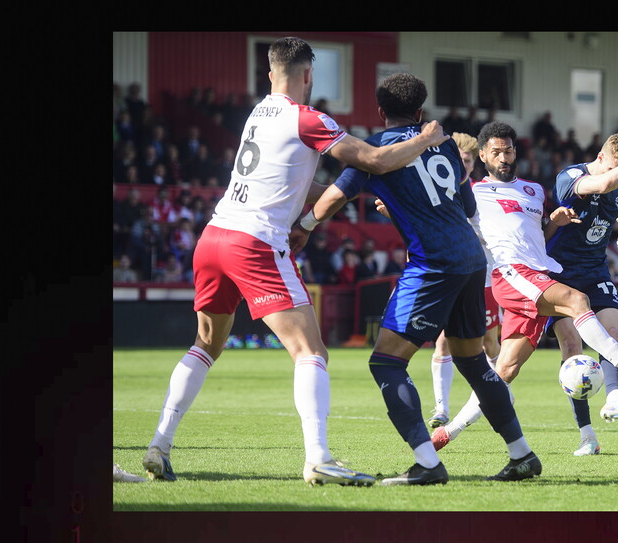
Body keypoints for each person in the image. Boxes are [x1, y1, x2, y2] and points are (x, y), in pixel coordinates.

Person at [140, 37, 449, 487]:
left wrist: (318, 210)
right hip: (254, 243)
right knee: (312, 352)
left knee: (206, 344)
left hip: (213, 237)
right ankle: (319, 457)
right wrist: (426, 139)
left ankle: (159, 445)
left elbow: (291, 181)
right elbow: (375, 160)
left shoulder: (256, 114)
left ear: (269, 73)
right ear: (308, 75)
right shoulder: (308, 118)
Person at [289, 73, 541, 485]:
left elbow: (338, 193)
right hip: (470, 257)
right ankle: (522, 454)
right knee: (473, 361)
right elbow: (463, 201)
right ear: (420, 112)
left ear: (381, 111)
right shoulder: (440, 142)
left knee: (386, 362)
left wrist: (305, 225)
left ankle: (428, 464)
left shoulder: (376, 148)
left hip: (433, 262)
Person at [431, 123, 618, 455]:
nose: (504, 156)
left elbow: (539, 240)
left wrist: (553, 223)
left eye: (509, 150)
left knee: (505, 370)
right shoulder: (473, 193)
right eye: (496, 151)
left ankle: (448, 432)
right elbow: (436, 215)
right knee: (576, 299)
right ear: (483, 155)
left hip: (537, 272)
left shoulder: (533, 191)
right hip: (511, 274)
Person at [423, 132, 502, 430]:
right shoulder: (437, 190)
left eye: (465, 160)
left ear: (473, 162)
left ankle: (496, 391)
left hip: (483, 276)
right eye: (457, 159)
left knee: (488, 341)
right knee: (443, 340)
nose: (460, 165)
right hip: (451, 274)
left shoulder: (482, 193)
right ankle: (441, 409)